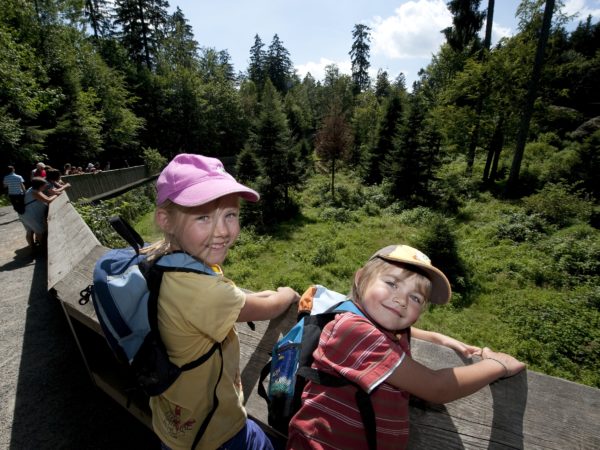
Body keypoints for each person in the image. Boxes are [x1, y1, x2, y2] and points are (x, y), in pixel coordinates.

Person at [287, 244, 526, 450]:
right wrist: (497, 365)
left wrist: (439, 338)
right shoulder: (354, 331)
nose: (401, 299)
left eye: (416, 298)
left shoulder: (374, 328)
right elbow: (437, 388)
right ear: (360, 279)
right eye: (392, 283)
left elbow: (394, 328)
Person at [145, 153, 300, 450]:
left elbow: (235, 297)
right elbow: (268, 307)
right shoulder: (206, 294)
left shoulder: (160, 260)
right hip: (215, 432)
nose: (223, 231)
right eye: (203, 217)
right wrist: (287, 293)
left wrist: (258, 295)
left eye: (230, 214)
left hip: (173, 422)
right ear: (166, 220)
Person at [18, 177, 58, 251]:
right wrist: (57, 195)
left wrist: (53, 194)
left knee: (29, 231)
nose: (45, 187)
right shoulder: (35, 192)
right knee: (39, 232)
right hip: (30, 215)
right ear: (39, 185)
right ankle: (44, 250)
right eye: (44, 186)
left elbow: (46, 198)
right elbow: (47, 200)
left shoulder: (32, 189)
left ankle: (33, 249)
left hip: (25, 214)